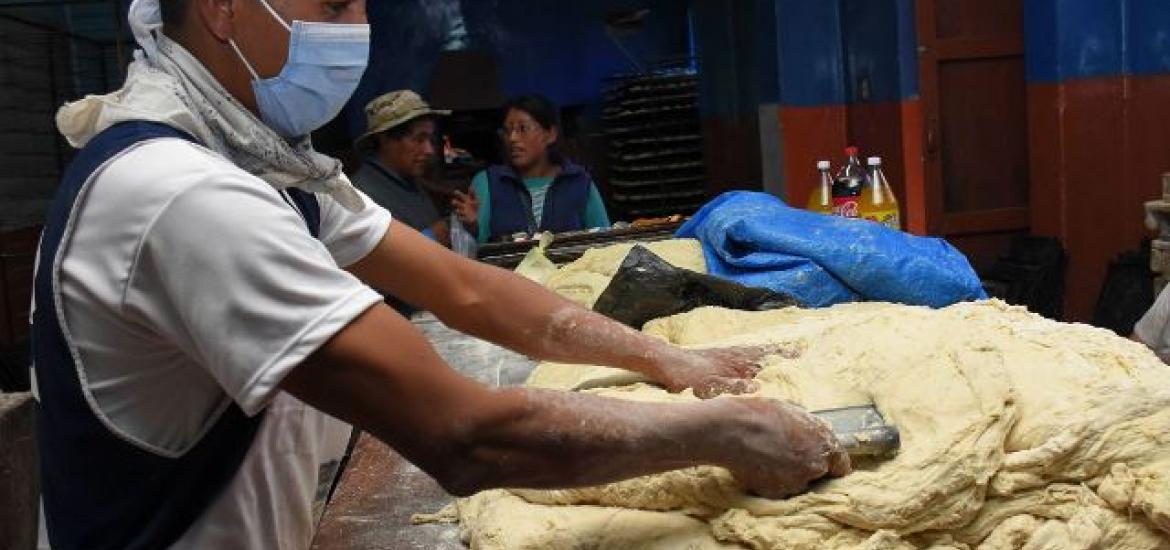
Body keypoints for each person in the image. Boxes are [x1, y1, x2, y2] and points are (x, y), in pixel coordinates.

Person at [32, 0, 849, 548]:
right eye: (335, 5)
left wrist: (668, 361)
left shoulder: (266, 168)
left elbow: (465, 288)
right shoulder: (180, 194)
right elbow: (466, 435)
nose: (356, 28)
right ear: (220, 8)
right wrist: (724, 433)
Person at [452, 94, 610, 243]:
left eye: (523, 129)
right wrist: (472, 226)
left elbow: (605, 242)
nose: (512, 138)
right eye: (508, 131)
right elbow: (478, 248)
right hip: (505, 271)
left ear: (550, 135)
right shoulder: (488, 182)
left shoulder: (579, 182)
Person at [351, 90, 451, 246]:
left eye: (430, 140)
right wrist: (432, 236)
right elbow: (378, 257)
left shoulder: (409, 182)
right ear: (385, 140)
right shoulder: (363, 195)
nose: (429, 150)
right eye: (419, 139)